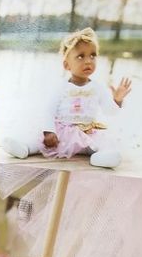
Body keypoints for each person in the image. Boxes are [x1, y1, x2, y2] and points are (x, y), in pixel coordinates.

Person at [41, 28, 131, 169]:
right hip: (64, 132)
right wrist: (49, 131)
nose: (88, 61)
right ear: (66, 64)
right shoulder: (62, 87)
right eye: (81, 56)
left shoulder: (97, 87)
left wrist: (117, 100)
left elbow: (109, 111)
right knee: (41, 141)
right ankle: (26, 147)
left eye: (93, 56)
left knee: (104, 144)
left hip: (88, 132)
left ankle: (101, 158)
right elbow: (49, 111)